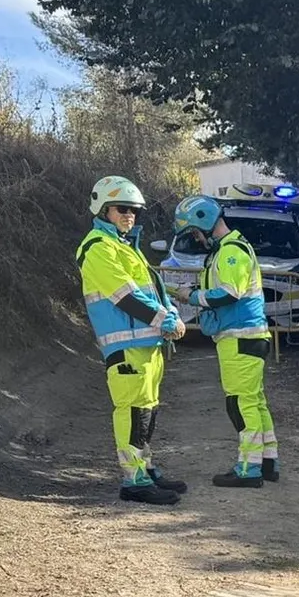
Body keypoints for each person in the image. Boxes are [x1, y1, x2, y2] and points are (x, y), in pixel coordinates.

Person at [77, 175, 187, 505]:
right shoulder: (98, 247)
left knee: (147, 411)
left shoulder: (126, 246)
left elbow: (152, 290)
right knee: (132, 411)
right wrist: (164, 319)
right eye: (122, 209)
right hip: (126, 346)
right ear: (103, 210)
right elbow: (125, 296)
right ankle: (134, 480)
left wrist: (171, 312)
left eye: (134, 210)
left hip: (147, 343)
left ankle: (145, 470)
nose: (130, 215)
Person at [170, 194, 278, 488]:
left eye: (195, 232)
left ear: (205, 222)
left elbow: (229, 293)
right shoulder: (230, 249)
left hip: (239, 337)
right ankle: (268, 462)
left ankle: (248, 469)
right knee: (254, 402)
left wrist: (192, 296)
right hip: (248, 337)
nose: (196, 238)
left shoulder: (231, 251)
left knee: (240, 404)